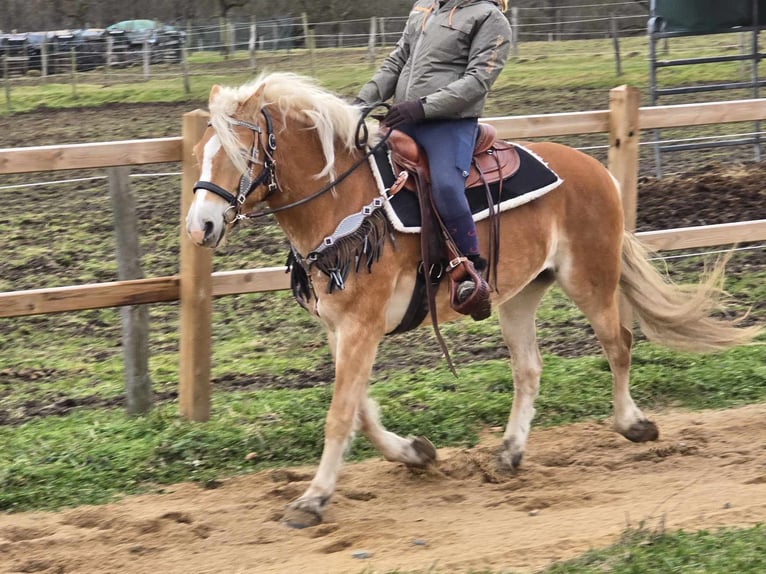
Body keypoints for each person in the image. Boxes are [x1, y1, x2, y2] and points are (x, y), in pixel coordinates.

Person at [356, 0, 512, 316]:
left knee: (446, 186)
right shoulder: (424, 7)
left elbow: (478, 80)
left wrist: (422, 106)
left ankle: (470, 268)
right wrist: (361, 102)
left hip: (449, 124)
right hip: (403, 117)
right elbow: (397, 60)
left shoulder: (490, 18)